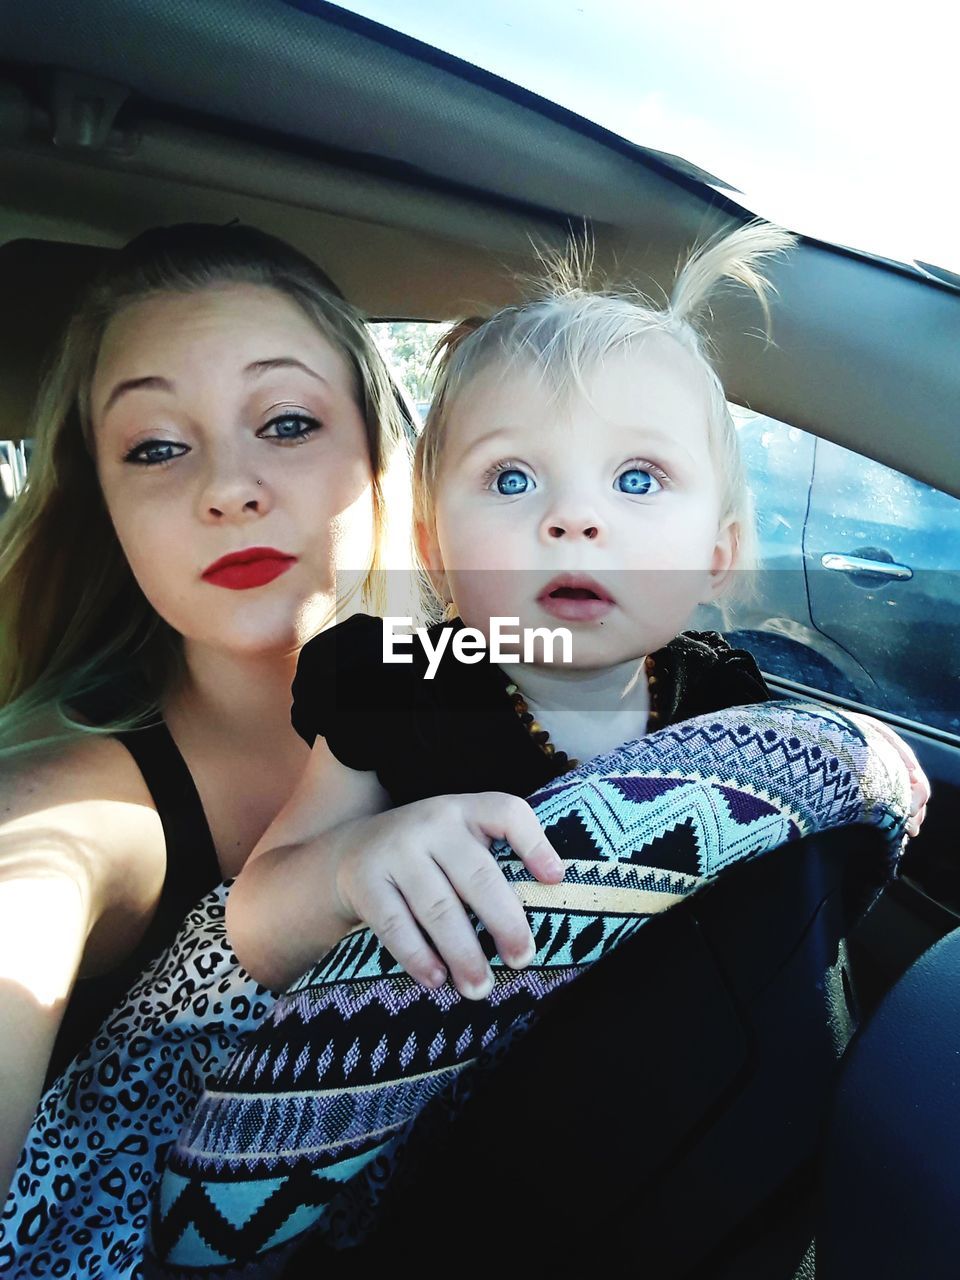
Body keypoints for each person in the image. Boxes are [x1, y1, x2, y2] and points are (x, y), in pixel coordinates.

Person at [227, 220, 929, 1005]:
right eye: (512, 478)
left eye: (636, 479)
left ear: (717, 555)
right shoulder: (400, 681)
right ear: (434, 548)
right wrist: (350, 866)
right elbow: (256, 927)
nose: (573, 519)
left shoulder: (724, 702)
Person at [0, 223, 415, 1266]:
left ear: (381, 451)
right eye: (155, 446)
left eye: (284, 420)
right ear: (109, 513)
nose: (226, 487)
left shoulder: (487, 693)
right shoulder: (74, 802)